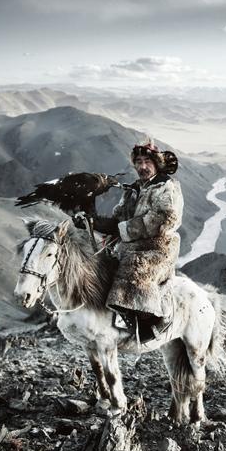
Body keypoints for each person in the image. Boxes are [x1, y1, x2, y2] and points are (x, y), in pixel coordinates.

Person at [74, 139, 182, 343]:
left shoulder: (167, 187)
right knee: (98, 262)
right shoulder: (133, 189)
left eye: (147, 162)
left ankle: (147, 323)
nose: (142, 167)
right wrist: (92, 222)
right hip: (130, 243)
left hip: (159, 245)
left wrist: (124, 229)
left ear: (156, 163)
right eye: (139, 162)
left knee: (134, 268)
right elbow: (118, 218)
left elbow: (165, 218)